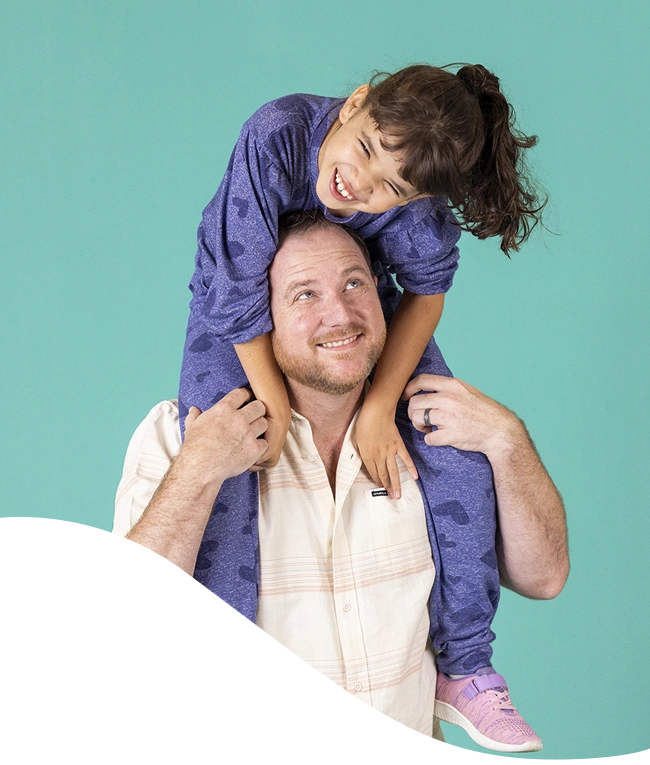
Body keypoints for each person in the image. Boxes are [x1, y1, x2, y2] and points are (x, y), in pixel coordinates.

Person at [116, 212, 568, 751]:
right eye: (305, 295)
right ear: (259, 321)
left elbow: (544, 578)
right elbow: (129, 632)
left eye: (354, 283)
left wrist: (508, 440)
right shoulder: (181, 438)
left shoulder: (437, 434)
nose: (341, 315)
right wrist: (201, 468)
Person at [179, 63, 544, 689]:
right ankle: (216, 671)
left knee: (455, 452)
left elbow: (425, 295)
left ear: (413, 200)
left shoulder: (418, 210)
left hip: (353, 306)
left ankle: (467, 664)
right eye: (366, 149)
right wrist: (268, 395)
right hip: (234, 307)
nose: (358, 182)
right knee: (226, 469)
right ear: (354, 105)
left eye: (388, 188)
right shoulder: (279, 135)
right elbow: (238, 278)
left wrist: (378, 408)